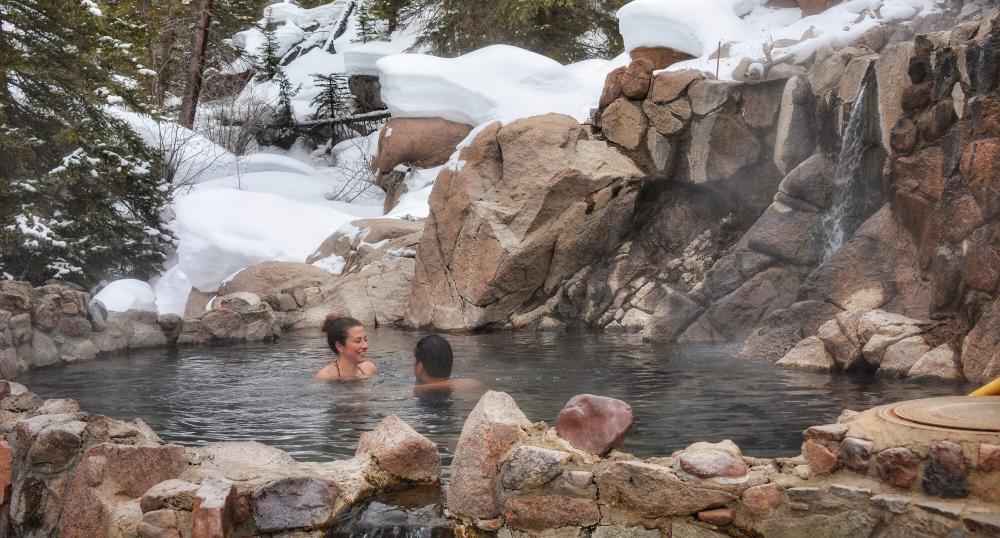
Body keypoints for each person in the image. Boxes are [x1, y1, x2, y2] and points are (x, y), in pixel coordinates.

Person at [315, 313, 378, 380]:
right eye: (358, 341)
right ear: (339, 346)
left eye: (365, 340)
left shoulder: (369, 369)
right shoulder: (325, 377)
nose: (365, 345)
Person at [412, 334, 481, 394]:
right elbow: (474, 383)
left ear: (419, 366)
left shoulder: (412, 392)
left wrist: (421, 388)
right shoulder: (470, 384)